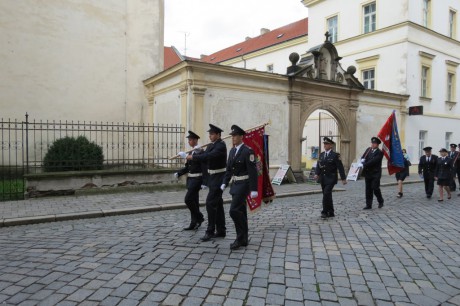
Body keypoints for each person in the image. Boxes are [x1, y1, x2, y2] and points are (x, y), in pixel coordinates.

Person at [186, 124, 227, 242]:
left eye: (212, 134)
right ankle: (221, 230)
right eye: (209, 134)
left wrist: (192, 157)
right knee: (218, 204)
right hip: (212, 177)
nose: (210, 136)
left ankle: (210, 231)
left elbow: (209, 156)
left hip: (219, 177)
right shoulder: (211, 145)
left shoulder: (221, 145)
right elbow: (204, 155)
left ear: (218, 135)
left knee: (210, 203)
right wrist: (198, 152)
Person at [221, 125, 258, 250]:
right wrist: (224, 183)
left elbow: (253, 171)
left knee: (233, 211)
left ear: (241, 137)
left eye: (236, 136)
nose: (233, 138)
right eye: (232, 136)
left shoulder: (248, 151)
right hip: (235, 185)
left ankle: (239, 237)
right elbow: (229, 170)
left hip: (244, 185)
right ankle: (244, 239)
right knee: (241, 211)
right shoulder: (232, 151)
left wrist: (254, 189)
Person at [175, 131, 206, 230]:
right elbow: (188, 168)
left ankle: (199, 217)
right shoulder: (190, 152)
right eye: (188, 140)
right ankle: (194, 222)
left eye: (191, 140)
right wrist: (179, 173)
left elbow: (204, 167)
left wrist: (205, 182)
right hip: (191, 179)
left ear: (196, 140)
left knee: (188, 199)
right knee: (194, 201)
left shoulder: (200, 152)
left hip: (197, 179)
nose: (189, 141)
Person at [313, 137, 347, 218]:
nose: (325, 145)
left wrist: (343, 178)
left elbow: (340, 167)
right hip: (323, 179)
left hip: (331, 178)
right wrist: (316, 174)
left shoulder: (335, 155)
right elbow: (319, 165)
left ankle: (324, 211)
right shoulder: (321, 155)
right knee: (327, 195)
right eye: (324, 144)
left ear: (331, 145)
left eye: (327, 144)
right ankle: (331, 211)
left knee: (326, 194)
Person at [360, 137, 384, 209]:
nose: (373, 144)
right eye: (372, 143)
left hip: (375, 173)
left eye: (374, 143)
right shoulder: (368, 150)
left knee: (375, 188)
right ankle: (368, 204)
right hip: (368, 173)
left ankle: (380, 200)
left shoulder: (379, 152)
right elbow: (363, 157)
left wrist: (364, 164)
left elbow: (374, 161)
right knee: (368, 189)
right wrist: (361, 161)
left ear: (377, 144)